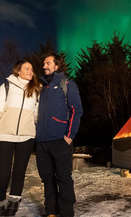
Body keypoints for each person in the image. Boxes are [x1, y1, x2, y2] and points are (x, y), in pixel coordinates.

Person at [0, 60, 40, 216]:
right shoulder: (6, 87)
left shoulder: (35, 91)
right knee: (3, 174)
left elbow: (37, 116)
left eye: (32, 69)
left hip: (26, 137)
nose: (31, 71)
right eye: (27, 68)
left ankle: (14, 203)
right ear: (18, 71)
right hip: (4, 136)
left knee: (19, 172)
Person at [35, 53, 83, 217]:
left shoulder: (67, 84)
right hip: (42, 142)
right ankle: (51, 212)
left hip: (60, 140)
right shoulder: (41, 88)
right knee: (47, 179)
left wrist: (69, 136)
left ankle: (66, 213)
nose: (44, 66)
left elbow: (76, 110)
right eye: (43, 63)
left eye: (47, 63)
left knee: (64, 179)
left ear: (57, 65)